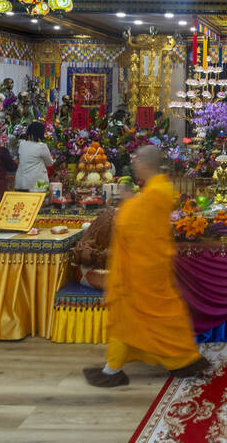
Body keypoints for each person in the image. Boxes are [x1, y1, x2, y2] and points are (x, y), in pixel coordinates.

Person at [82, 146, 209, 387]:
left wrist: (128, 203)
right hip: (148, 264)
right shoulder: (156, 189)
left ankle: (118, 369)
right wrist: (133, 201)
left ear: (145, 164)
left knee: (134, 318)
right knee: (148, 319)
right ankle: (180, 359)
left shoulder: (156, 192)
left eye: (137, 161)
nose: (135, 165)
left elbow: (127, 223)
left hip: (143, 269)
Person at [15, 122, 54, 191]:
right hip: (37, 183)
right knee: (40, 201)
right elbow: (50, 163)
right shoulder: (41, 146)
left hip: (21, 182)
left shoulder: (22, 144)